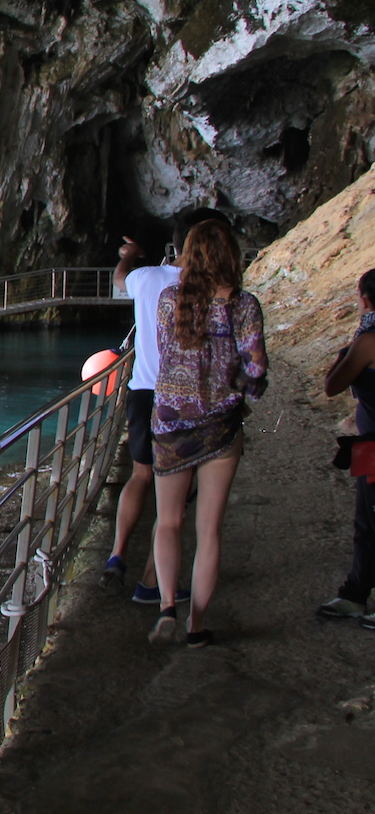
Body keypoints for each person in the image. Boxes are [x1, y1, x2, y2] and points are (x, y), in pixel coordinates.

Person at [147, 219, 267, 648]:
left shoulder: (168, 301)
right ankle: (196, 627)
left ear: (188, 254)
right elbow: (256, 370)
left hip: (171, 424)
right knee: (209, 529)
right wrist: (233, 379)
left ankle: (166, 607)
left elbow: (166, 353)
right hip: (220, 426)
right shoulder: (243, 305)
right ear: (230, 254)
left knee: (168, 521)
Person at [100, 211, 228, 602]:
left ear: (176, 243)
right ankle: (151, 582)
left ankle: (117, 553)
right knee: (174, 495)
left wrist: (130, 254)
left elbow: (119, 280)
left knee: (139, 476)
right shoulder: (209, 288)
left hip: (143, 391)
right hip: (185, 399)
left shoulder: (148, 278)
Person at [318, 268, 375, 626]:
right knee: (368, 521)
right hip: (369, 442)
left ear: (365, 300)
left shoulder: (367, 340)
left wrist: (345, 353)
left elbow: (332, 385)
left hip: (373, 443)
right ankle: (355, 592)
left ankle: (356, 595)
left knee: (368, 523)